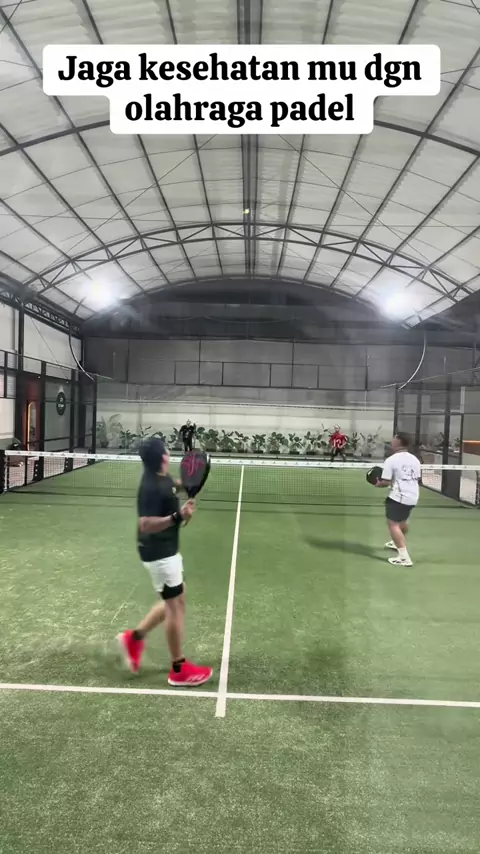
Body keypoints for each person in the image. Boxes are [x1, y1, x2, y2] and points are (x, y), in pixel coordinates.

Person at [117, 437, 213, 686]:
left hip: (166, 549)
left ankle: (134, 638)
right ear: (162, 457)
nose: (170, 452)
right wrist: (178, 516)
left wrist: (189, 483)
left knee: (177, 598)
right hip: (159, 553)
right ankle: (178, 668)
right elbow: (145, 524)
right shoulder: (150, 486)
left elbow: (172, 487)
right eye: (167, 450)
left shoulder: (162, 476)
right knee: (175, 607)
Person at [375, 432, 421, 567]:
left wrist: (377, 484)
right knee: (402, 521)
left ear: (399, 441)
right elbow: (416, 478)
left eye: (394, 439)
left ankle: (404, 557)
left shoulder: (391, 460)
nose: (392, 441)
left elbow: (386, 482)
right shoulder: (415, 459)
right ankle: (397, 542)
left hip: (399, 497)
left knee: (393, 524)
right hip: (413, 496)